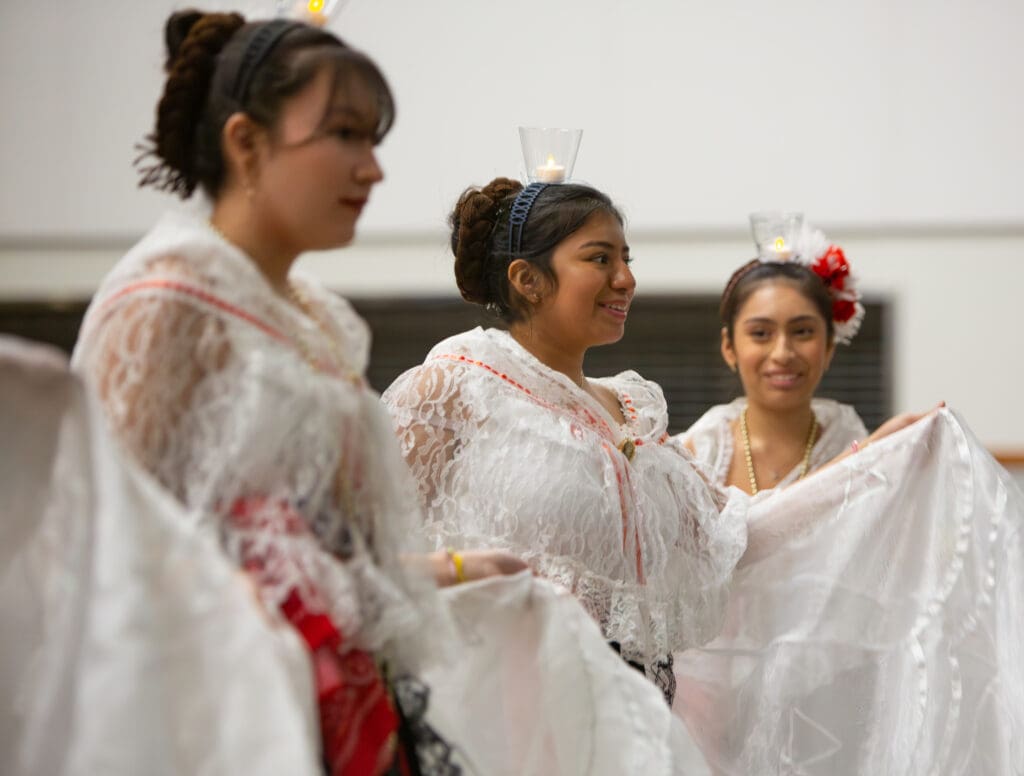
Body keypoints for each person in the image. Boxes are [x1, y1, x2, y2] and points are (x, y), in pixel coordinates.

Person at [63, 11, 701, 776]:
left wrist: (461, 571)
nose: (373, 169)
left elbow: (340, 552)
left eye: (374, 140)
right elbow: (106, 555)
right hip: (218, 717)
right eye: (344, 137)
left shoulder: (314, 320)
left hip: (344, 702)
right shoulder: (164, 304)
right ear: (246, 142)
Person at [383, 178, 1024, 773]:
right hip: (502, 724)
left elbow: (735, 535)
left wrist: (872, 463)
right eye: (600, 258)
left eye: (626, 257)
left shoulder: (633, 413)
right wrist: (466, 575)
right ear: (527, 278)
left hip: (633, 727)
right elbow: (358, 551)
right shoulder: (453, 390)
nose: (626, 278)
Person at [680, 231, 869, 492]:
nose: (782, 353)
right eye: (760, 333)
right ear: (729, 347)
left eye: (802, 331)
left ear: (828, 347)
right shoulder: (696, 458)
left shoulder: (860, 455)